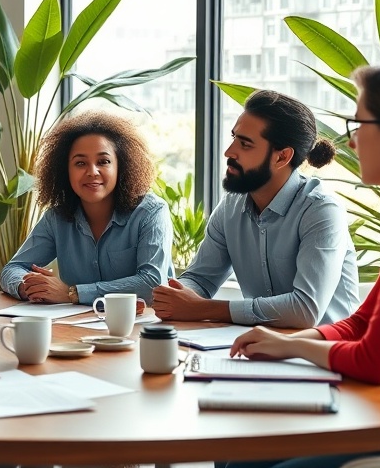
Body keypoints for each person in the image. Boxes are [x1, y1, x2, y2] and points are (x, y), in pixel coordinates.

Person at [227, 56, 380, 467]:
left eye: (358, 125)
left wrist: (297, 349)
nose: (352, 141)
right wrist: (288, 343)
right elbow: (362, 322)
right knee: (241, 457)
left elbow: (377, 360)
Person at [152, 90, 360, 328]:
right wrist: (177, 294)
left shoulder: (321, 210)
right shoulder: (230, 207)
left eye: (245, 144)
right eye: (233, 138)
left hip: (324, 355)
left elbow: (305, 309)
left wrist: (202, 309)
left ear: (282, 157)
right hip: (260, 348)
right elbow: (200, 279)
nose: (229, 152)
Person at [0, 110, 174, 305]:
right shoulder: (56, 218)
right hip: (75, 328)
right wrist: (29, 286)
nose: (92, 172)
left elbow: (152, 284)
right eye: (80, 163)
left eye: (103, 162)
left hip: (142, 327)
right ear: (65, 171)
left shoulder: (151, 213)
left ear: (121, 166)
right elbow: (12, 269)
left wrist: (73, 293)